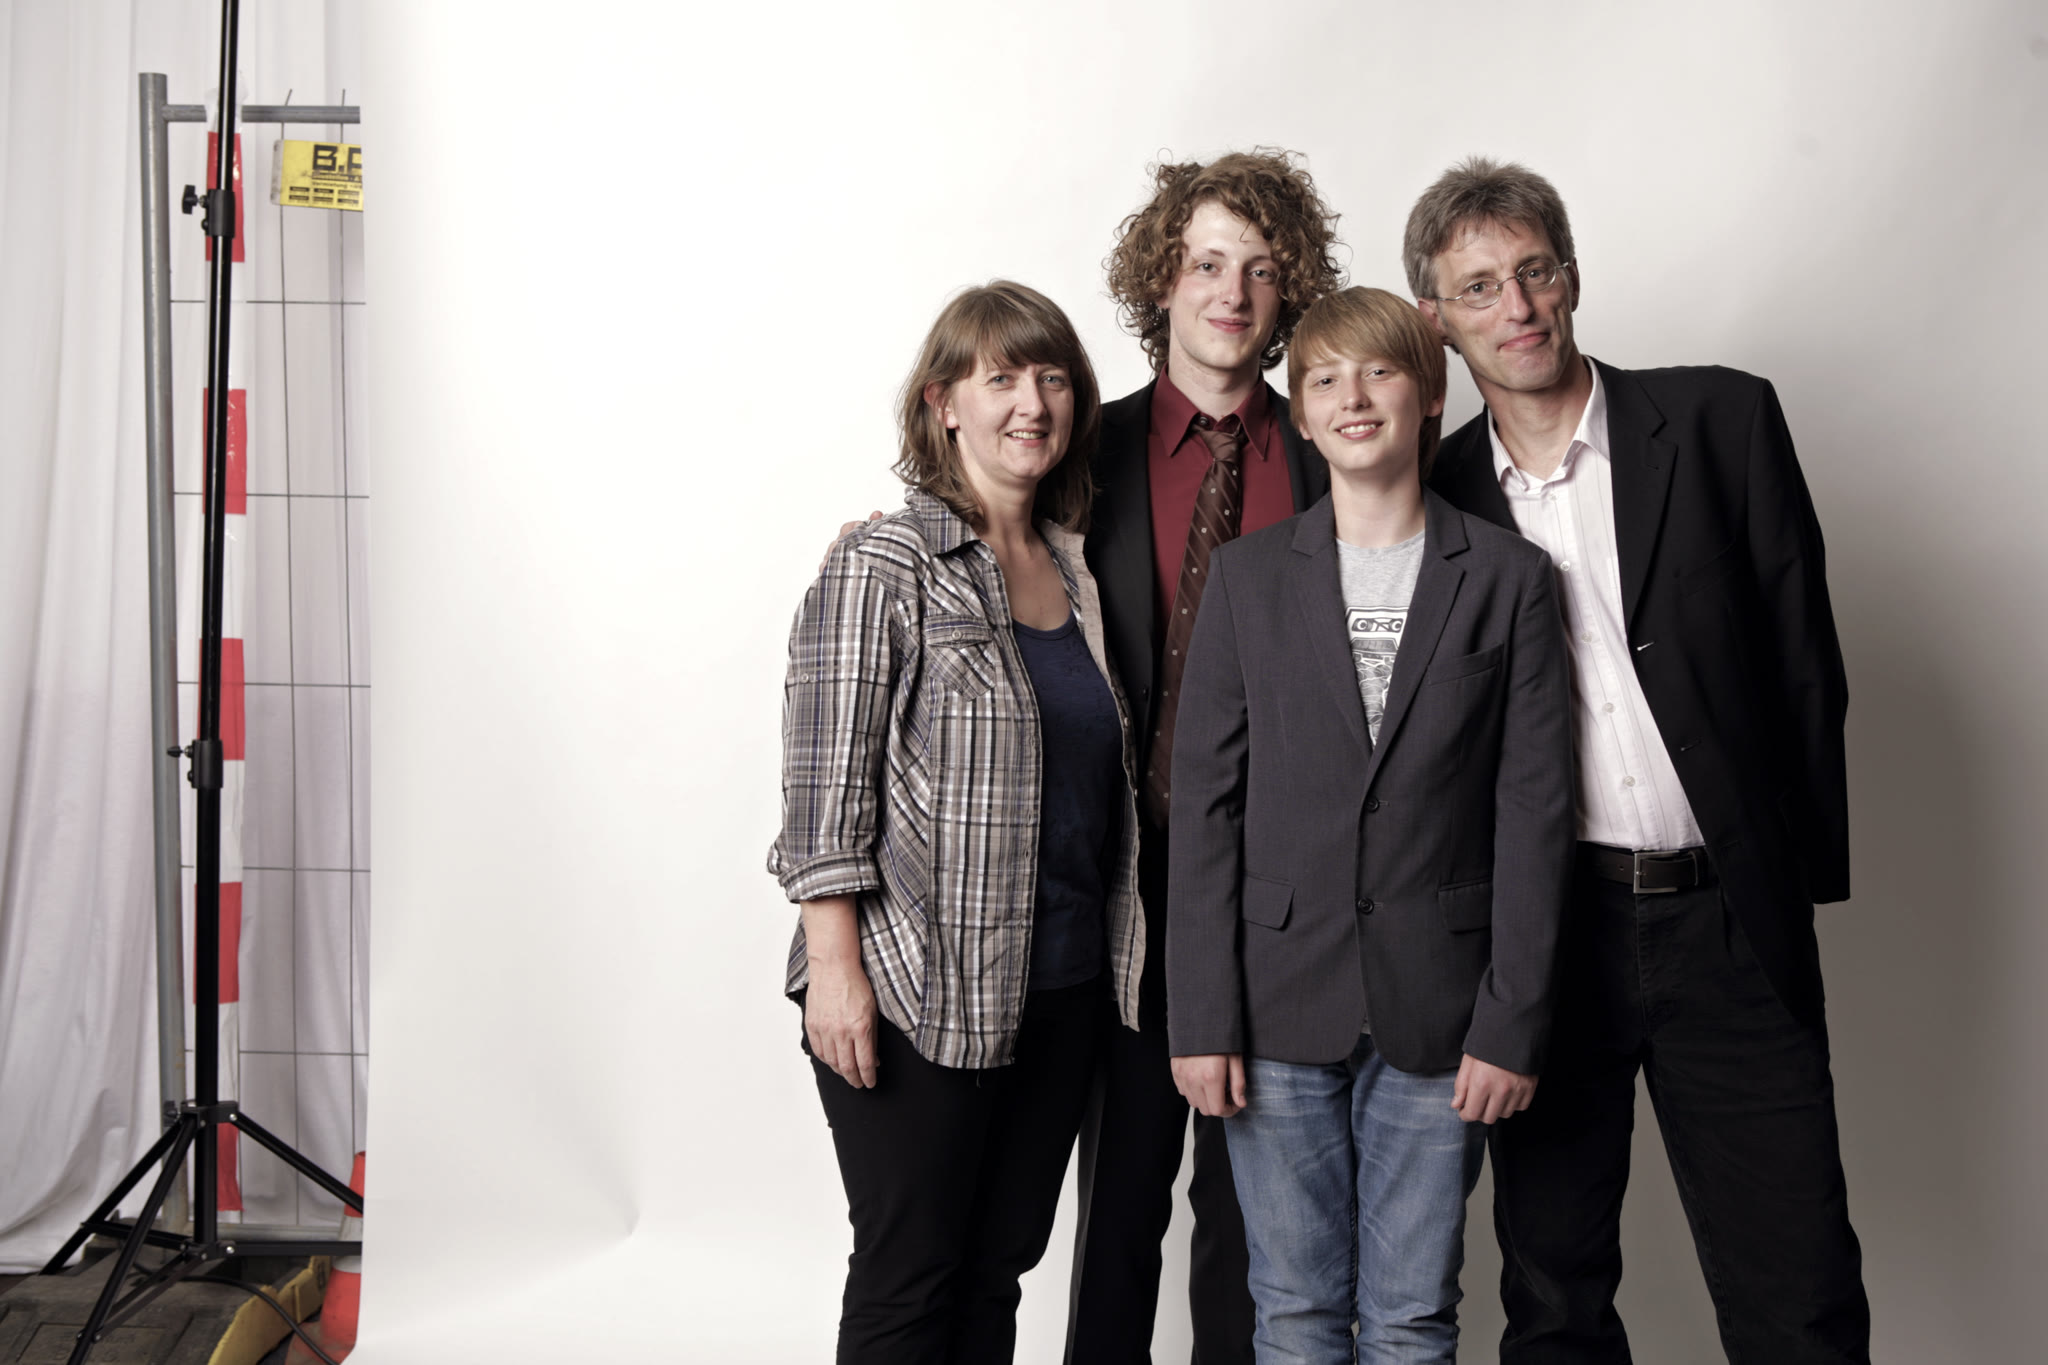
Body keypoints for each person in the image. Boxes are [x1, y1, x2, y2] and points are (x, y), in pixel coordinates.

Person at [1405, 157, 1871, 1364]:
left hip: (1728, 920)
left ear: (1569, 277)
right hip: (1548, 940)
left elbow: (1802, 659)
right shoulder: (1432, 496)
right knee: (1552, 1299)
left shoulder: (1719, 423)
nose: (1515, 307)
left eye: (1532, 272)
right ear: (1434, 318)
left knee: (1798, 1291)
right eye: (1477, 288)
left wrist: (1792, 881)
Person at [1164, 286, 1574, 1363]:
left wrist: (1511, 1019)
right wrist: (1199, 1016)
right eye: (1324, 379)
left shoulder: (1508, 580)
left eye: (1380, 371)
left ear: (1429, 395)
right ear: (1299, 415)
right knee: (1293, 1313)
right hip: (1272, 1007)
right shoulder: (1245, 580)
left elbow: (1533, 813)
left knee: (1411, 1317)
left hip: (1443, 1015)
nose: (1352, 396)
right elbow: (1205, 809)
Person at [768, 280, 1145, 1365]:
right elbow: (821, 793)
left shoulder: (1076, 569)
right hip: (914, 991)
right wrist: (835, 973)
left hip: (1062, 989)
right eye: (1000, 378)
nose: (1031, 403)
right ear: (943, 404)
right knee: (911, 1277)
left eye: (1052, 377)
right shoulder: (884, 564)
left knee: (995, 1274)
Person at [1067, 149, 1345, 1365]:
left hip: (1288, 894)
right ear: (1161, 281)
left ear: (1289, 294)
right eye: (1206, 264)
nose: (1232, 293)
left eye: (1261, 269)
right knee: (1119, 1208)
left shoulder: (1336, 449)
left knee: (1257, 1227)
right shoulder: (1081, 452)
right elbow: (977, 539)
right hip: (1126, 884)